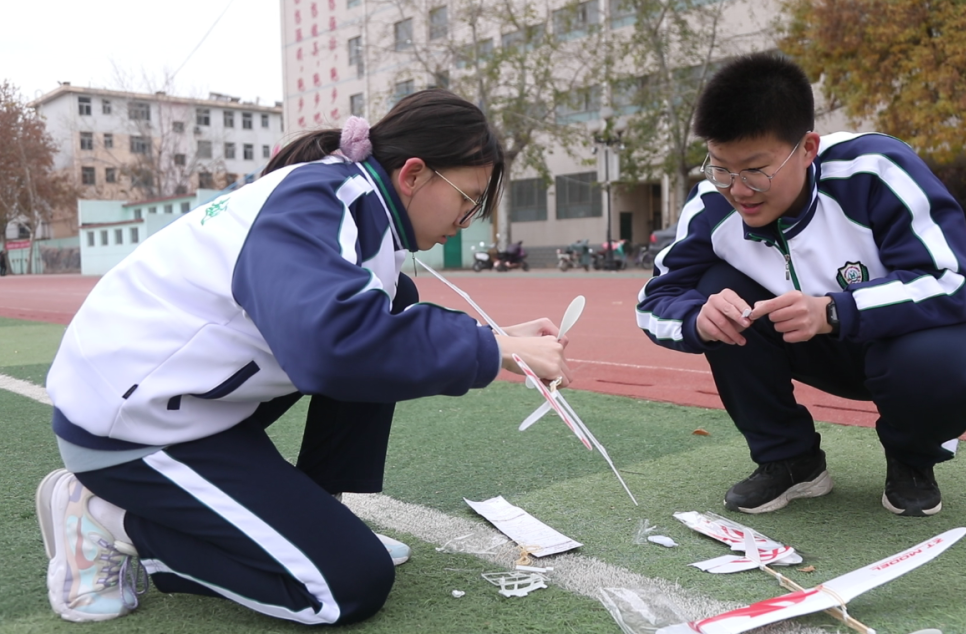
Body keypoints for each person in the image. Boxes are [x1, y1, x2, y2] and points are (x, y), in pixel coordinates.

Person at [38, 89, 572, 625]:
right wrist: (492, 347)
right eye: (468, 198)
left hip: (192, 405)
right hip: (130, 432)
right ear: (413, 175)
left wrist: (495, 338)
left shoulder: (350, 200)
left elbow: (366, 328)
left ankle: (318, 510)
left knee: (395, 299)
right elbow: (334, 348)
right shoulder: (313, 203)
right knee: (347, 585)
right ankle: (108, 519)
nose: (469, 218)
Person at [636, 53, 966, 519]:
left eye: (755, 169)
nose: (739, 190)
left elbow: (953, 283)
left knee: (935, 361)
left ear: (807, 148)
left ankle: (912, 460)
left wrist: (834, 311)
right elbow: (656, 299)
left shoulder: (875, 170)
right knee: (716, 291)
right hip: (807, 344)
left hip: (905, 342)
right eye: (721, 167)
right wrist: (696, 319)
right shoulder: (714, 202)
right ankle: (789, 459)